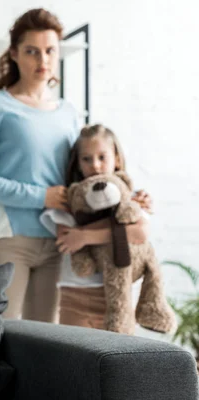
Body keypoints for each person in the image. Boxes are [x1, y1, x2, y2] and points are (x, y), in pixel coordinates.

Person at [0, 8, 77, 322]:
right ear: (14, 54)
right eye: (32, 51)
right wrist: (42, 196)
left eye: (50, 50)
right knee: (1, 340)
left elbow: (79, 178)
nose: (43, 60)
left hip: (57, 242)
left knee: (48, 346)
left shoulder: (69, 113)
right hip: (8, 240)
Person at [47, 124, 153, 329]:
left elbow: (139, 233)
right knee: (72, 358)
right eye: (86, 159)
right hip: (75, 297)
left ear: (117, 159)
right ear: (77, 163)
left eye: (102, 157)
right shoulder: (69, 201)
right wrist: (119, 227)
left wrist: (85, 236)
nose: (95, 165)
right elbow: (68, 240)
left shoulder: (131, 199)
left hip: (119, 297)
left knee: (121, 358)